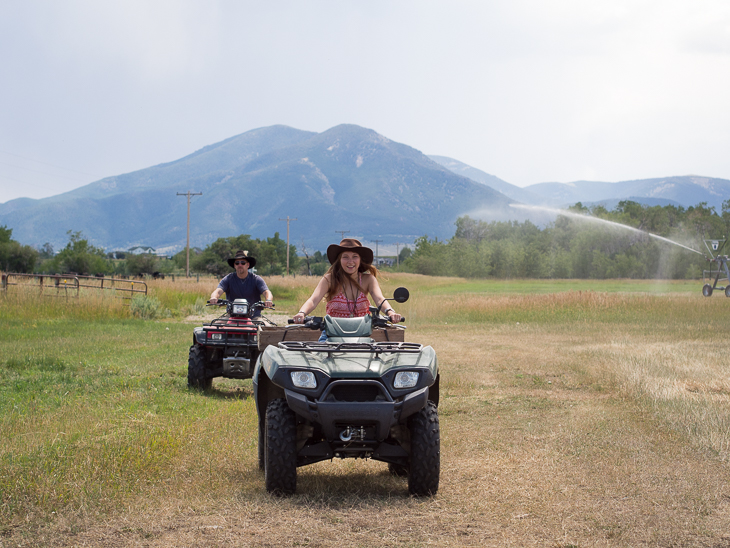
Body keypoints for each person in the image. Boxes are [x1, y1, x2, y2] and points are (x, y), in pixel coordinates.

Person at [292, 239, 402, 325]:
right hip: (333, 333)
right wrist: (302, 313)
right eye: (345, 257)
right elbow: (313, 300)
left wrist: (390, 312)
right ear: (339, 260)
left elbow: (379, 299)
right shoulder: (329, 279)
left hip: (362, 333)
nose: (350, 261)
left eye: (355, 257)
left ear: (360, 260)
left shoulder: (368, 280)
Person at [210, 250, 273, 317]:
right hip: (231, 316)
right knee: (215, 326)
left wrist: (268, 300)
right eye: (237, 263)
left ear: (248, 265)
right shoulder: (228, 278)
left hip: (254, 317)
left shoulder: (256, 279)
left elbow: (266, 292)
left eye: (243, 263)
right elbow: (218, 290)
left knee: (266, 326)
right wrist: (214, 297)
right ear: (234, 265)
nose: (240, 265)